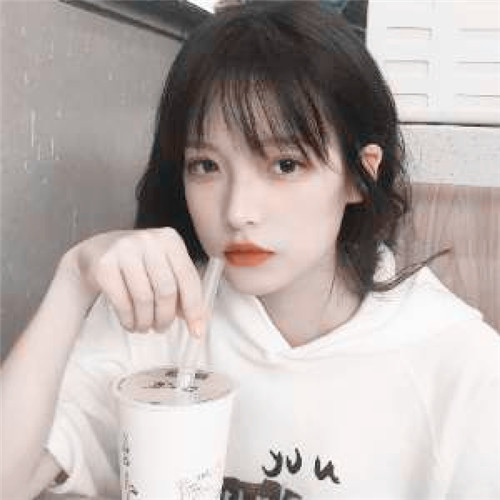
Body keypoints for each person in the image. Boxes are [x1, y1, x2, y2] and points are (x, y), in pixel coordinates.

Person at [1, 2, 499, 499]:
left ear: (360, 176)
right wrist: (74, 279)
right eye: (206, 165)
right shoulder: (157, 318)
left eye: (285, 165)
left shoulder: (459, 362)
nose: (237, 211)